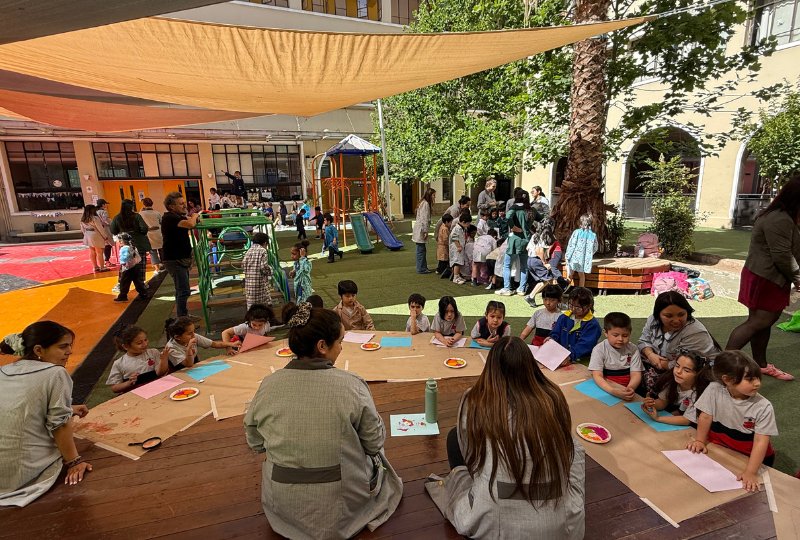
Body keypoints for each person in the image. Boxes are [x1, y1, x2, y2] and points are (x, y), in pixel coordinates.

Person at [244, 303, 402, 538]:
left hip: (283, 506)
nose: (341, 348)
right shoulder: (351, 385)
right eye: (340, 341)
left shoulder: (268, 385)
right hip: (340, 506)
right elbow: (374, 443)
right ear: (322, 346)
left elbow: (255, 443)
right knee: (376, 456)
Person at [433, 336, 584, 539]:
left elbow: (470, 454)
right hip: (558, 522)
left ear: (491, 367)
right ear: (530, 366)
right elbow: (568, 447)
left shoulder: (475, 399)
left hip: (495, 518)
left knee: (454, 439)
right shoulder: (553, 395)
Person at [0, 322, 92, 506]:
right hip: (24, 472)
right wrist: (74, 462)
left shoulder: (5, 370)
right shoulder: (56, 373)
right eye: (63, 346)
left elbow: (17, 408)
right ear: (38, 350)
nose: (69, 351)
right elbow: (59, 425)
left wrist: (68, 408)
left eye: (69, 346)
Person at [726, 179, 800, 381]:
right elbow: (782, 255)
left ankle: (761, 364)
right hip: (766, 277)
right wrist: (798, 278)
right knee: (758, 322)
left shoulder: (784, 216)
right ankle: (722, 366)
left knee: (764, 323)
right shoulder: (779, 219)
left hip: (768, 276)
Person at [686, 351, 778, 493]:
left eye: (758, 377)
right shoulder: (714, 389)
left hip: (750, 457)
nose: (757, 383)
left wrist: (751, 472)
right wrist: (699, 441)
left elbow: (761, 441)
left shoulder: (764, 407)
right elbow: (705, 417)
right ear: (727, 380)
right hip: (723, 448)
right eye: (750, 379)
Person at [638, 291, 718, 393]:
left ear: (688, 312)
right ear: (658, 315)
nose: (676, 320)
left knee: (661, 385)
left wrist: (658, 363)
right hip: (665, 364)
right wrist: (650, 355)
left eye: (681, 314)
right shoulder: (653, 320)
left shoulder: (695, 332)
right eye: (669, 316)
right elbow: (643, 341)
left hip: (695, 371)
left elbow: (688, 365)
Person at [642, 350, 711, 426]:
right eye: (677, 366)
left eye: (686, 370)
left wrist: (658, 418)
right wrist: (651, 404)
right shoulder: (673, 381)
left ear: (699, 374)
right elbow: (662, 402)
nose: (678, 371)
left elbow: (687, 420)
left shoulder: (701, 393)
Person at [589, 313, 643, 402]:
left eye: (625, 335)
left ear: (630, 333)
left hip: (629, 389)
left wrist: (630, 388)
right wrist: (613, 391)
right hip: (607, 389)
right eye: (615, 335)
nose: (620, 339)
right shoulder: (599, 349)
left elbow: (636, 374)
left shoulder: (633, 349)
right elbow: (597, 375)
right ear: (605, 333)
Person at [161, 192, 199, 317]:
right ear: (171, 206)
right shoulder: (170, 218)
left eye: (184, 203)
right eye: (181, 204)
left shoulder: (177, 217)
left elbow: (191, 222)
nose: (184, 206)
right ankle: (182, 318)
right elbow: (191, 224)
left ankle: (183, 316)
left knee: (181, 289)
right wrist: (195, 215)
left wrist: (193, 217)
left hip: (179, 258)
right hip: (174, 259)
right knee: (184, 290)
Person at [106, 325, 170, 393]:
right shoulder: (119, 363)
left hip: (158, 388)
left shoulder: (153, 352)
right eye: (139, 343)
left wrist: (164, 360)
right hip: (136, 394)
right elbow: (114, 388)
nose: (145, 344)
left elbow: (160, 373)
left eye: (145, 340)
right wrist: (129, 383)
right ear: (126, 346)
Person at [111, 199, 151, 300]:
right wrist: (139, 234)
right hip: (139, 243)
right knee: (140, 266)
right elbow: (144, 228)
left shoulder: (117, 217)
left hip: (125, 244)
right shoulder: (137, 216)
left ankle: (122, 288)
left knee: (125, 267)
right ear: (132, 206)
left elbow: (113, 230)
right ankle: (142, 285)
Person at [550, 287, 602, 365]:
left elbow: (585, 345)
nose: (573, 309)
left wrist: (570, 356)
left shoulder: (592, 325)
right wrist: (552, 339)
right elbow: (556, 332)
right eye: (571, 305)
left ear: (589, 306)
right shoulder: (564, 317)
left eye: (578, 307)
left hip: (583, 361)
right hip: (562, 357)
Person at [496, 188, 530, 296]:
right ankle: (521, 288)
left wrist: (513, 226)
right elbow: (541, 218)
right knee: (524, 266)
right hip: (526, 240)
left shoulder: (514, 207)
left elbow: (507, 217)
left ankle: (507, 288)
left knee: (507, 265)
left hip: (514, 240)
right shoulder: (530, 209)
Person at [164, 316, 235, 368]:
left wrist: (232, 344)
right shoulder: (171, 348)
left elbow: (214, 344)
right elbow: (188, 364)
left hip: (194, 365)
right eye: (190, 333)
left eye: (194, 331)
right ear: (177, 337)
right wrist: (189, 349)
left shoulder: (193, 336)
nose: (193, 335)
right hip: (181, 370)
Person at [564, 213, 598, 288]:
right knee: (581, 275)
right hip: (584, 259)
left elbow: (571, 245)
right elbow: (595, 247)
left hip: (574, 258)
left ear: (581, 222)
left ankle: (564, 289)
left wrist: (567, 256)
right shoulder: (593, 235)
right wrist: (589, 254)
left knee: (570, 274)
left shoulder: (577, 232)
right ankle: (581, 291)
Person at [114, 232, 149, 302]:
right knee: (137, 281)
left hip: (128, 268)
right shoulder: (132, 246)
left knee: (124, 282)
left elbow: (125, 257)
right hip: (135, 266)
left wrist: (123, 262)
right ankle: (143, 294)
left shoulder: (124, 248)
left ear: (121, 241)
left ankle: (123, 296)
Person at [242, 232, 273, 309]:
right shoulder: (263, 251)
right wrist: (270, 270)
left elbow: (243, 265)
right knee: (262, 306)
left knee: (252, 306)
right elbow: (264, 267)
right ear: (265, 243)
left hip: (249, 285)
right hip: (259, 283)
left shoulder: (249, 251)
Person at [80, 204, 111, 273]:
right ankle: (102, 267)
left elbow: (82, 229)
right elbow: (100, 228)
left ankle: (95, 267)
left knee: (92, 251)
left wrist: (86, 235)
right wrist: (105, 236)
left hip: (87, 235)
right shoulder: (95, 218)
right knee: (99, 252)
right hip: (95, 235)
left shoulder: (83, 219)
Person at [412, 187, 435, 274]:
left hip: (420, 228)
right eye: (433, 195)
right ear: (429, 195)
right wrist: (425, 231)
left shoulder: (423, 203)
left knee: (421, 249)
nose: (434, 197)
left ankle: (422, 267)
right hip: (421, 229)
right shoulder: (425, 204)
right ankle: (421, 268)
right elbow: (424, 218)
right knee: (421, 250)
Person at [139, 198, 164, 274]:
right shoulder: (157, 213)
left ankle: (157, 269)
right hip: (158, 233)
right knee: (161, 250)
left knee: (152, 251)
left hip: (149, 234)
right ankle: (164, 265)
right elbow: (161, 222)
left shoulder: (141, 214)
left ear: (143, 204)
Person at [448, 211, 471, 285]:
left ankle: (458, 275)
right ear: (463, 222)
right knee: (457, 262)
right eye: (468, 223)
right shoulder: (457, 228)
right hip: (456, 248)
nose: (468, 225)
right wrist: (458, 246)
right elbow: (454, 237)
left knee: (460, 262)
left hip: (460, 247)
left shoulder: (462, 228)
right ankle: (455, 277)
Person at [95, 198, 115, 266]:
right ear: (103, 205)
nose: (106, 205)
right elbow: (105, 220)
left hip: (98, 230)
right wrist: (111, 223)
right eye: (106, 204)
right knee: (108, 245)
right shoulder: (104, 212)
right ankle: (107, 261)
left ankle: (103, 262)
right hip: (105, 230)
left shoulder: (96, 212)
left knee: (102, 247)